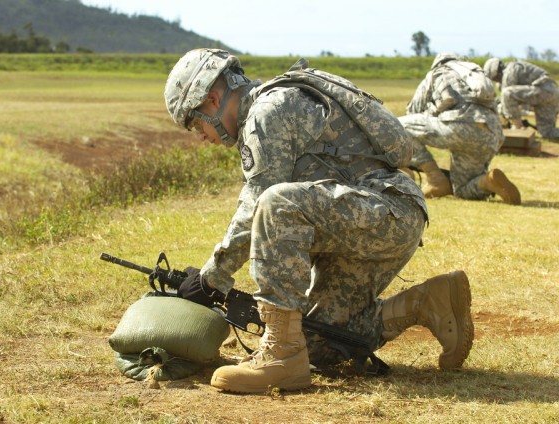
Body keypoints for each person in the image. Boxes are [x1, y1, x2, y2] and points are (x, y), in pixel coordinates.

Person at [164, 48, 474, 393]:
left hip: (387, 213)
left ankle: (281, 355)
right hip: (373, 219)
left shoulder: (268, 112)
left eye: (196, 124)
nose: (202, 137)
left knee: (275, 202)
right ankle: (427, 301)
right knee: (315, 340)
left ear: (212, 99)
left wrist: (212, 278)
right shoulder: (270, 108)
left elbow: (258, 207)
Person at [398, 53, 521, 205]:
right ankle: (488, 181)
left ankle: (435, 178)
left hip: (461, 126)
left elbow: (413, 111)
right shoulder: (476, 73)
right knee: (462, 189)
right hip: (492, 134)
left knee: (399, 127)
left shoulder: (437, 72)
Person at [484, 57, 559, 139]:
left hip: (542, 91)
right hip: (552, 94)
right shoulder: (515, 68)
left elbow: (506, 97)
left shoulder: (509, 70)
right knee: (547, 132)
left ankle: (518, 127)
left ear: (497, 72)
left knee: (507, 94)